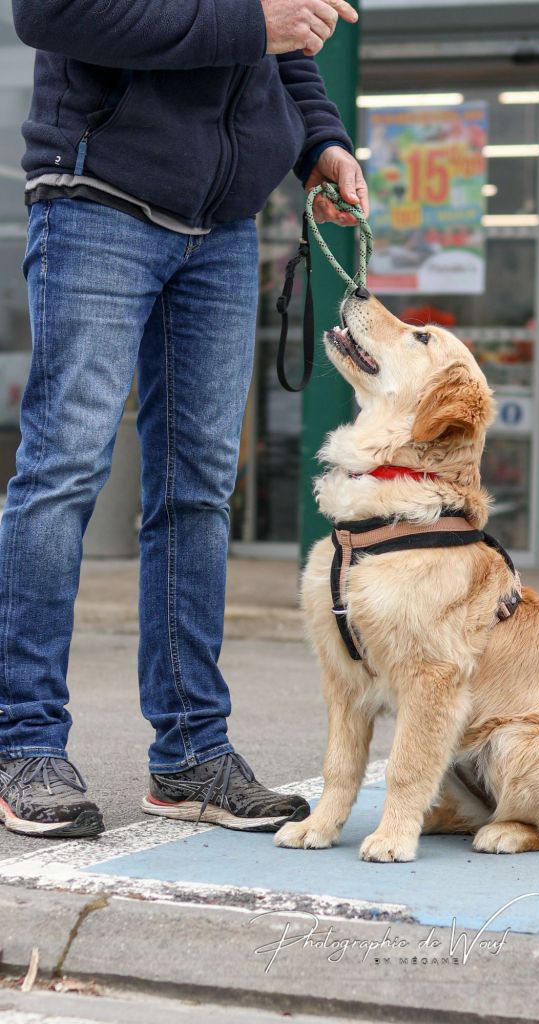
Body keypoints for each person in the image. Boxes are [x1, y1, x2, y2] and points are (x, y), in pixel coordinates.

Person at [0, 0, 368, 839]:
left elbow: (291, 40)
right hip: (97, 198)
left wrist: (320, 141)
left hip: (223, 225)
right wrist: (255, 25)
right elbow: (53, 13)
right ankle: (23, 744)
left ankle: (193, 755)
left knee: (199, 492)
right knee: (62, 473)